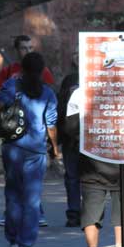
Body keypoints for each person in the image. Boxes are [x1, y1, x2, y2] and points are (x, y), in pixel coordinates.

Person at [65, 86, 124, 247]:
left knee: (91, 207)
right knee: (122, 202)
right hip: (123, 157)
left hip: (92, 159)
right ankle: (121, 246)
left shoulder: (80, 93)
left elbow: (71, 128)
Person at [0, 52, 59, 247]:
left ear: (21, 69)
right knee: (32, 198)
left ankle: (12, 239)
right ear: (43, 71)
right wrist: (55, 149)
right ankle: (26, 243)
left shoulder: (11, 86)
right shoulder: (48, 93)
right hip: (35, 150)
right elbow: (51, 125)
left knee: (13, 193)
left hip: (12, 147)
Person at [56, 48, 81, 227]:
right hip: (70, 136)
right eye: (76, 53)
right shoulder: (69, 80)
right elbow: (61, 108)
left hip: (93, 136)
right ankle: (74, 212)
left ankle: (90, 210)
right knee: (72, 176)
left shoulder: (99, 78)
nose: (79, 57)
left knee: (91, 176)